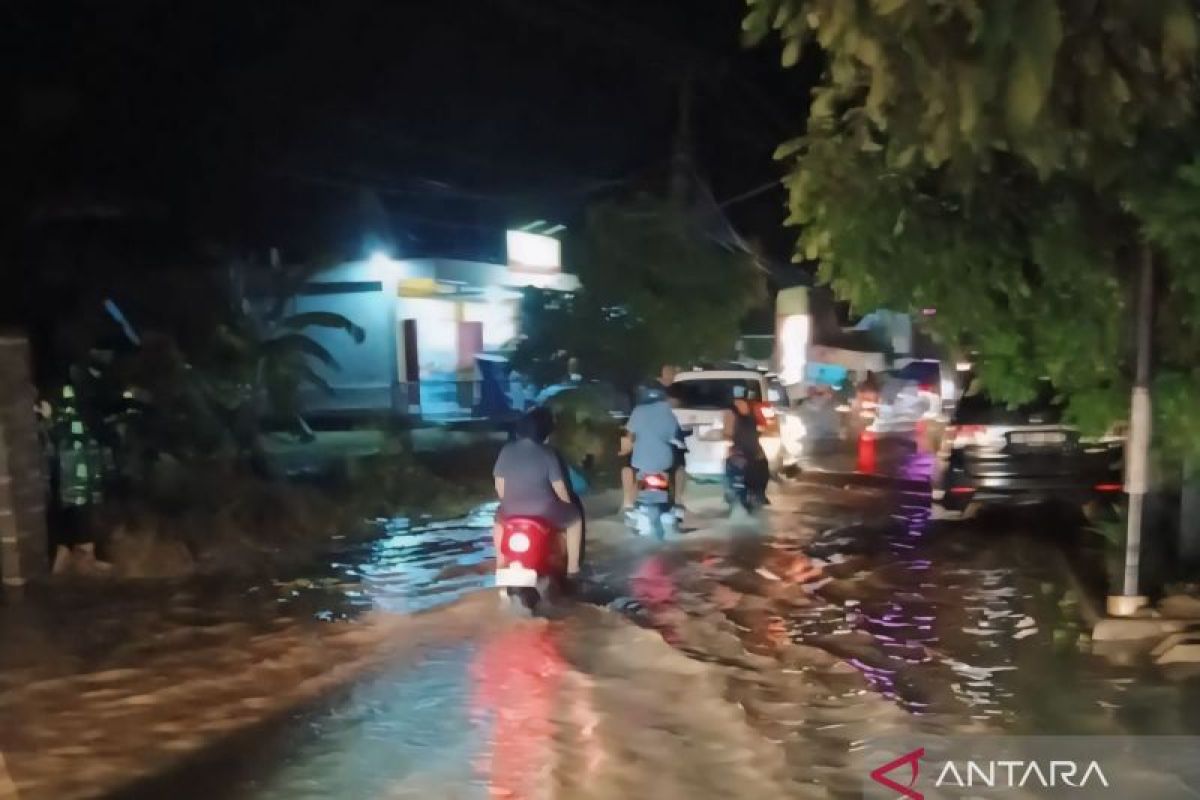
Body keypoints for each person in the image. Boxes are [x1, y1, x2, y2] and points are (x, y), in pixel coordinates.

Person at [493, 408, 583, 576]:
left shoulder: (506, 451)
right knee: (575, 519)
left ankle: (500, 564)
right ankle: (573, 568)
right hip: (545, 512)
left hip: (510, 511)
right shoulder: (548, 453)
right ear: (545, 433)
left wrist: (509, 503)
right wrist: (568, 506)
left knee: (498, 521)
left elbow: (499, 487)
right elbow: (560, 489)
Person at [723, 386, 769, 506]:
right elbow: (762, 428)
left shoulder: (730, 412)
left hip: (740, 453)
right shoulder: (753, 408)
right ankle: (759, 495)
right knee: (763, 469)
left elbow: (727, 434)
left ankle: (739, 493)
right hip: (753, 451)